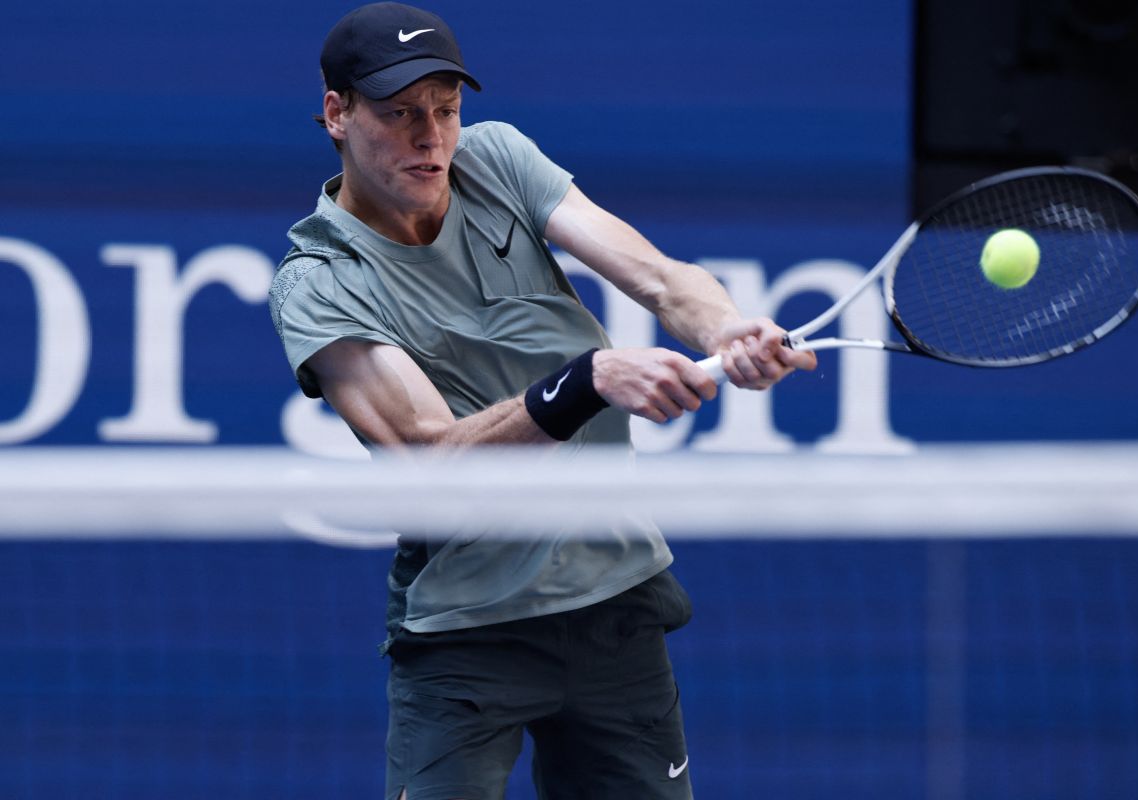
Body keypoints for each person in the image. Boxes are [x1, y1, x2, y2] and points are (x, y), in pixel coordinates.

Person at [269, 4, 816, 798]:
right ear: (336, 114)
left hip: (613, 603)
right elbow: (430, 455)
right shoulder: (316, 281)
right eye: (398, 114)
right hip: (465, 636)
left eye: (446, 110)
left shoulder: (495, 159)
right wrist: (586, 380)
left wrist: (728, 326)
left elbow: (661, 277)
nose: (431, 138)